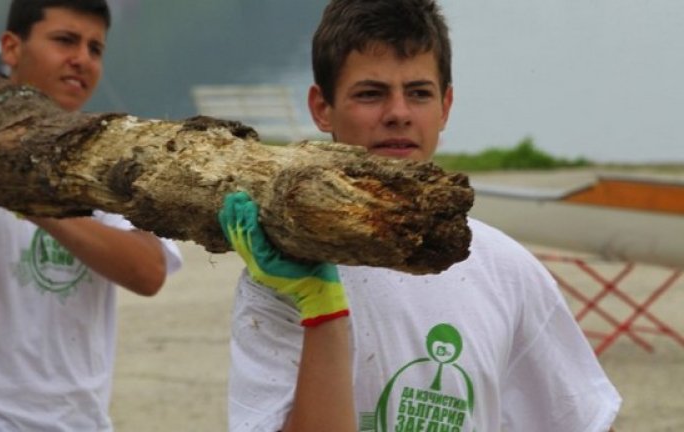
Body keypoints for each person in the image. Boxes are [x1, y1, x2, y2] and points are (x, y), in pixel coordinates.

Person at [218, 0, 622, 431]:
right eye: (370, 94)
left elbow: (583, 419)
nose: (398, 114)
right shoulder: (283, 281)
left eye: (419, 93)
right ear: (322, 107)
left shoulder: (505, 268)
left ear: (445, 106)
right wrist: (322, 311)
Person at [0, 0, 182, 430]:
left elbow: (148, 272)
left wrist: (31, 196)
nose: (82, 59)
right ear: (10, 47)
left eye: (96, 48)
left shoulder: (106, 154)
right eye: (65, 40)